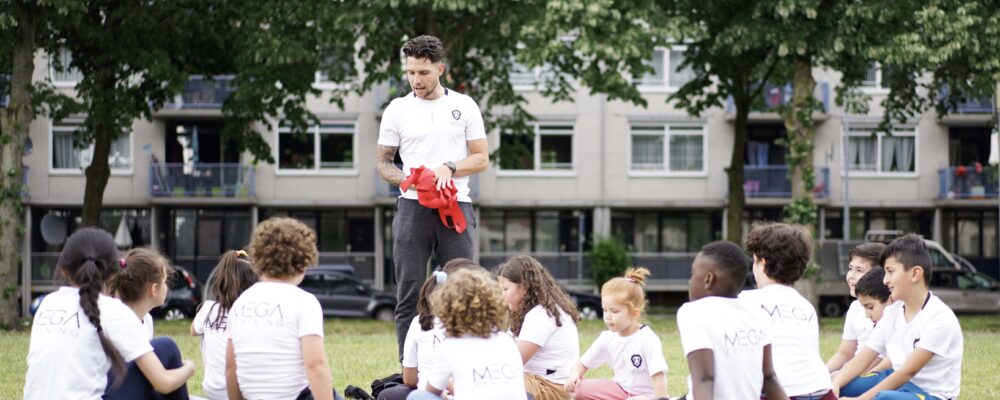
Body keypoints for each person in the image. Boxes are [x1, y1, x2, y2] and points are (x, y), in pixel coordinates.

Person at [376, 34, 489, 358]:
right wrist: (409, 180)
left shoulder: (463, 105)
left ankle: (466, 363)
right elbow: (384, 162)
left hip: (456, 206)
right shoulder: (397, 109)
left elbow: (481, 158)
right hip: (412, 210)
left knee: (465, 289)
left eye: (423, 73)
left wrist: (450, 167)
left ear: (440, 68)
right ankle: (408, 371)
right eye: (410, 72)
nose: (416, 80)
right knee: (408, 292)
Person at [24, 228, 194, 399]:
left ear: (64, 270)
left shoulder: (47, 303)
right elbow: (163, 382)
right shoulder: (114, 311)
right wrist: (188, 368)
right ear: (113, 273)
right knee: (167, 347)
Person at [834, 235, 963, 400]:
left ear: (915, 274)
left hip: (930, 394)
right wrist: (836, 384)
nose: (885, 280)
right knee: (842, 385)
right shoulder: (892, 312)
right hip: (895, 379)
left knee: (885, 398)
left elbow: (907, 372)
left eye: (890, 272)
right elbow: (864, 357)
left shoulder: (940, 318)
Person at [225, 217, 342, 400]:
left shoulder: (240, 303)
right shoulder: (304, 302)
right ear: (304, 261)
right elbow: (316, 366)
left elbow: (231, 368)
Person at [677, 241, 787, 400]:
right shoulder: (757, 312)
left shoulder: (693, 312)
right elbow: (769, 378)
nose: (690, 280)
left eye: (693, 273)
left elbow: (704, 378)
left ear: (709, 279)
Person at [740, 223, 834, 399]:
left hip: (778, 393)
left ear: (763, 263)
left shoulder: (745, 301)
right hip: (822, 390)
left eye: (754, 261)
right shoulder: (806, 306)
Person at [407, 268, 526, 400]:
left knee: (416, 396)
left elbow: (431, 391)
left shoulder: (450, 347)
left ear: (447, 307)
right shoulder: (507, 341)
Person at [378, 258, 479, 400]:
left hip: (433, 393)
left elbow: (411, 380)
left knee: (394, 395)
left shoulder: (419, 323)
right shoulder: (488, 329)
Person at [564, 267, 669, 400]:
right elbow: (582, 364)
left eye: (614, 311)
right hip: (620, 389)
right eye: (605, 310)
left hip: (645, 396)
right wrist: (574, 376)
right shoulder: (607, 338)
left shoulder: (647, 339)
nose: (608, 316)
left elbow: (658, 377)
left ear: (634, 313)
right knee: (578, 390)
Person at [104, 247, 191, 400]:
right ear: (154, 289)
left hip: (125, 388)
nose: (167, 287)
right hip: (108, 390)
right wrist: (189, 368)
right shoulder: (119, 318)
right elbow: (160, 381)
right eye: (165, 281)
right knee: (168, 347)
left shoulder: (146, 320)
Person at [496, 255, 580, 400]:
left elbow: (512, 361)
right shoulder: (528, 312)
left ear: (523, 287)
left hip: (552, 388)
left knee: (492, 381)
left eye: (505, 289)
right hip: (535, 381)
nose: (500, 296)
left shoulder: (541, 315)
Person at [191, 250, 257, 400]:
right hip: (245, 392)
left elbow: (194, 331)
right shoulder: (254, 314)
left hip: (213, 389)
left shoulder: (208, 308)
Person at [827, 243, 886, 374]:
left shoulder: (886, 307)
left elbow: (881, 357)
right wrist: (823, 374)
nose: (851, 276)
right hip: (854, 370)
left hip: (872, 373)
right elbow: (844, 353)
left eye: (859, 270)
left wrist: (844, 375)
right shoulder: (854, 308)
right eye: (850, 268)